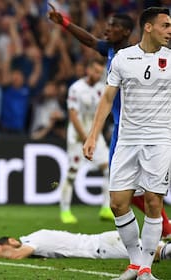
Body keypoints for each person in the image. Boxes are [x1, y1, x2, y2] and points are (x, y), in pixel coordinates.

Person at [48, 2, 171, 239]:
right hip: (121, 129)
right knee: (124, 188)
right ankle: (160, 230)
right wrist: (63, 22)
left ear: (126, 32)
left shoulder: (136, 55)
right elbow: (90, 40)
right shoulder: (114, 52)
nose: (107, 29)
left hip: (144, 129)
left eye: (113, 26)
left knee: (143, 189)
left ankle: (162, 228)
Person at [83, 7, 171, 280]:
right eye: (165, 25)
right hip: (127, 139)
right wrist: (93, 134)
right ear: (148, 27)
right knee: (118, 203)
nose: (170, 31)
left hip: (160, 139)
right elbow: (108, 98)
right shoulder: (123, 58)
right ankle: (135, 262)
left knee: (154, 201)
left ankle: (145, 267)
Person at [59, 58, 114, 224]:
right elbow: (73, 115)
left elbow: (103, 113)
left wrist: (94, 136)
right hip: (77, 135)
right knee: (72, 172)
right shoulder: (76, 88)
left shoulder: (101, 88)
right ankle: (65, 211)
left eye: (100, 72)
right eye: (95, 71)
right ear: (88, 70)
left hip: (94, 134)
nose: (98, 75)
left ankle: (106, 208)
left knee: (108, 168)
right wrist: (85, 137)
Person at [0, 229, 171, 261]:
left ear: (11, 241)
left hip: (105, 246)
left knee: (157, 252)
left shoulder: (33, 240)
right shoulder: (34, 239)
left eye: (1, 246)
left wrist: (0, 253)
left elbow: (18, 255)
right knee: (156, 248)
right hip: (105, 242)